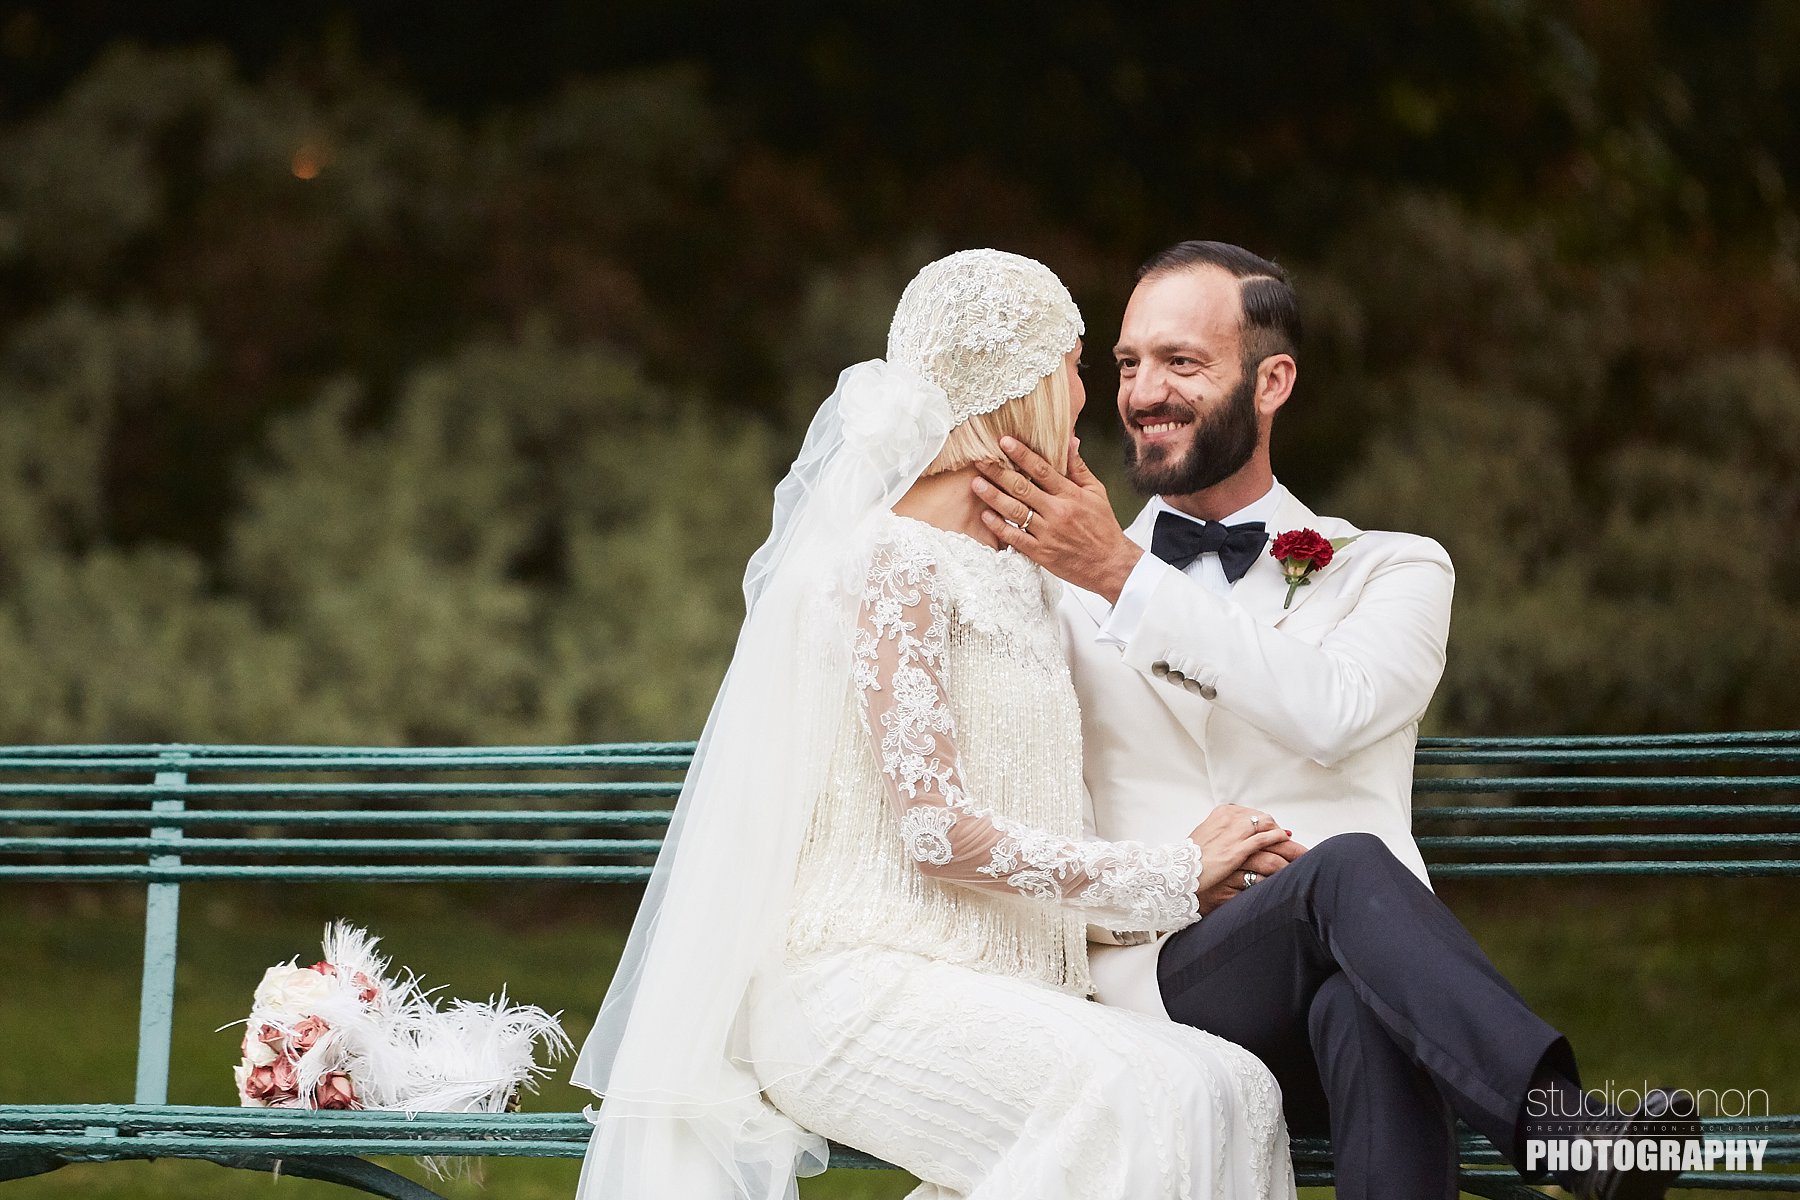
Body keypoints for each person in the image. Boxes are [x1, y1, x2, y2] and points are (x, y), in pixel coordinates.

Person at [968, 240, 1700, 1200]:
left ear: (1272, 382)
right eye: (1128, 363)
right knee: (1349, 866)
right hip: (1165, 998)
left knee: (1360, 995)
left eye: (1182, 362)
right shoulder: (1052, 594)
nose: (1144, 393)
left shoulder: (1392, 568)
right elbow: (1011, 828)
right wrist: (1171, 876)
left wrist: (1124, 576)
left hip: (1361, 1011)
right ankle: (1573, 1140)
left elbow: (1333, 711)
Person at [570, 249, 1298, 1200]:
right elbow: (937, 832)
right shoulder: (890, 562)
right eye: (1077, 367)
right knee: (1134, 1099)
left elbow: (1044, 819)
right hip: (855, 985)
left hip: (1002, 991)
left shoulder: (1030, 580)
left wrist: (1183, 894)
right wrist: (1169, 872)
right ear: (1022, 388)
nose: (1089, 397)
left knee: (1236, 1086)